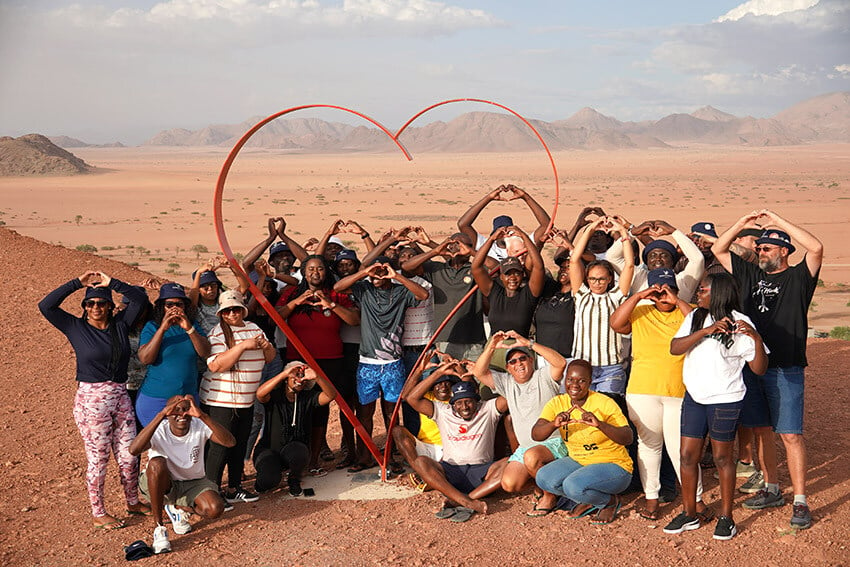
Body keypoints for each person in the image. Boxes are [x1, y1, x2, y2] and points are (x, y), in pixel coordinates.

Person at [711, 209, 823, 530]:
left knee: (789, 433)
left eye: (768, 247)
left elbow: (815, 248)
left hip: (786, 366)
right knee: (761, 430)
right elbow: (719, 249)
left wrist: (777, 221)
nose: (761, 251)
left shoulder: (799, 278)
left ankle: (800, 501)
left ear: (784, 250)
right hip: (751, 364)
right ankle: (772, 488)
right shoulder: (748, 274)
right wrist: (741, 226)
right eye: (759, 248)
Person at [39, 271, 152, 529]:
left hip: (121, 396)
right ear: (85, 307)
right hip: (92, 400)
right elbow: (46, 305)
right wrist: (77, 283)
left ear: (111, 306)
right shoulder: (76, 327)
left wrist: (110, 282)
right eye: (90, 303)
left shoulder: (121, 325)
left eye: (102, 303)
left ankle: (132, 501)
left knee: (129, 454)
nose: (96, 307)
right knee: (99, 458)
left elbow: (139, 300)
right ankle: (98, 511)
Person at [669, 272, 768, 540]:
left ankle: (726, 517)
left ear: (719, 293)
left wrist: (756, 339)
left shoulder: (741, 322)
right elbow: (675, 347)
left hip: (725, 398)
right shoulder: (695, 317)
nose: (698, 293)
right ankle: (689, 513)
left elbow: (758, 369)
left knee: (723, 457)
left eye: (703, 290)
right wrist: (704, 331)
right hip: (695, 397)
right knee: (688, 456)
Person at [610, 268, 708, 522]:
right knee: (649, 445)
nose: (663, 295)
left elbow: (701, 325)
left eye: (668, 289)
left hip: (680, 390)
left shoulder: (689, 312)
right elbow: (615, 323)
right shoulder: (640, 311)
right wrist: (640, 296)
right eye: (658, 290)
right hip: (642, 390)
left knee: (681, 450)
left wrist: (677, 302)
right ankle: (651, 497)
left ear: (676, 290)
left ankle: (695, 500)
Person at [333, 256, 428, 472]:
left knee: (391, 414)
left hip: (393, 363)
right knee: (364, 414)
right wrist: (365, 272)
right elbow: (338, 287)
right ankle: (365, 456)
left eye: (381, 271)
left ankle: (390, 456)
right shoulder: (364, 289)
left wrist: (397, 276)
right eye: (374, 271)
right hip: (367, 363)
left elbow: (423, 294)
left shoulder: (401, 291)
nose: (377, 275)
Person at [276, 254, 360, 474]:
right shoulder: (292, 293)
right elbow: (274, 316)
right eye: (311, 269)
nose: (316, 273)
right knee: (302, 408)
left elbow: (353, 319)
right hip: (300, 360)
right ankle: (297, 459)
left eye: (320, 269)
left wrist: (329, 303)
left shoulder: (337, 294)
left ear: (326, 271)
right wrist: (296, 303)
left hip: (332, 360)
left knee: (325, 407)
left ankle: (316, 460)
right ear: (304, 272)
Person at [472, 331, 567, 516]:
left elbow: (560, 363)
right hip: (526, 448)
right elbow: (479, 372)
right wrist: (492, 346)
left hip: (553, 444)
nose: (519, 364)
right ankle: (542, 483)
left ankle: (550, 496)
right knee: (509, 484)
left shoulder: (544, 377)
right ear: (508, 368)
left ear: (531, 360)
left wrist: (529, 343)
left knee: (532, 457)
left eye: (522, 358)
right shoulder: (507, 383)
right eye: (513, 362)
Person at [129, 395, 234, 554]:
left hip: (192, 482)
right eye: (175, 410)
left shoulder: (199, 424)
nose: (181, 414)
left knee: (215, 509)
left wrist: (203, 416)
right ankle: (159, 529)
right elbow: (134, 450)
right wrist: (160, 415)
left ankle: (177, 507)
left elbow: (230, 442)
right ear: (167, 413)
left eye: (186, 409)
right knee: (156, 463)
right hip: (164, 483)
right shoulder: (160, 428)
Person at [533, 360, 634, 525]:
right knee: (544, 478)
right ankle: (589, 498)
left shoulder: (604, 402)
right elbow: (536, 434)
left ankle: (608, 502)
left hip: (614, 465)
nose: (575, 385)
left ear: (590, 382)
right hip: (579, 461)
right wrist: (554, 424)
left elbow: (628, 437)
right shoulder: (557, 403)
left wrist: (600, 424)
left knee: (572, 485)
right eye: (570, 380)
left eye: (581, 381)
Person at [406, 363, 509, 522]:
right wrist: (438, 373)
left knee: (511, 463)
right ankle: (467, 502)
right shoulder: (442, 411)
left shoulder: (488, 409)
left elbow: (512, 393)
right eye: (459, 403)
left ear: (477, 401)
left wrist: (480, 373)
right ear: (452, 404)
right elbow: (411, 398)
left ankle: (461, 499)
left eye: (469, 401)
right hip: (451, 471)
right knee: (420, 462)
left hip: (483, 472)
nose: (464, 407)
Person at [201, 290, 276, 504]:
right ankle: (212, 492)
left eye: (236, 309)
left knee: (239, 444)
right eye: (227, 310)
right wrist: (243, 346)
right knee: (219, 447)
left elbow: (269, 358)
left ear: (242, 310)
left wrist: (266, 346)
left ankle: (234, 487)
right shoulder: (217, 334)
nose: (232, 314)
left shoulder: (254, 328)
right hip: (220, 401)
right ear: (222, 314)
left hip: (245, 399)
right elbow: (216, 365)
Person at [570, 216, 634, 397]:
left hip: (610, 369)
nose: (596, 283)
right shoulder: (581, 295)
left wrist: (623, 232)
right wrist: (591, 228)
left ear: (609, 280)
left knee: (608, 413)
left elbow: (629, 265)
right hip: (582, 366)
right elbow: (574, 260)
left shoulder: (616, 297)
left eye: (601, 279)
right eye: (592, 279)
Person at [253, 362, 337, 496]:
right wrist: (284, 374)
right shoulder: (275, 396)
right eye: (295, 376)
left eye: (303, 377)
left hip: (294, 449)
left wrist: (317, 377)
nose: (299, 380)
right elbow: (260, 394)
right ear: (287, 378)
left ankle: (294, 478)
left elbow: (331, 395)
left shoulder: (307, 397)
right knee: (268, 481)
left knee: (299, 452)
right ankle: (266, 478)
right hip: (269, 449)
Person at [401, 233, 486, 361]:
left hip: (474, 339)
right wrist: (435, 251)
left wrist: (472, 252)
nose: (464, 247)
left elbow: (496, 267)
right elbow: (407, 268)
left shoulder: (475, 270)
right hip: (445, 338)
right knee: (448, 378)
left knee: (475, 379)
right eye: (459, 244)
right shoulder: (437, 269)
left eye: (468, 245)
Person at [136, 283, 211, 426]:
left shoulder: (192, 325)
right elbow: (146, 358)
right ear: (161, 307)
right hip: (156, 399)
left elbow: (205, 352)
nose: (174, 308)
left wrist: (189, 328)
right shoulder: (152, 327)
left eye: (179, 304)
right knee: (157, 444)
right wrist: (163, 329)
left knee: (186, 443)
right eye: (169, 304)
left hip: (187, 399)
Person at [470, 225, 545, 338]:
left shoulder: (529, 293)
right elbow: (476, 267)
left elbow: (539, 267)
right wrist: (491, 239)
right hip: (496, 348)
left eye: (516, 273)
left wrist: (524, 236)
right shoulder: (494, 292)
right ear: (501, 277)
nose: (512, 278)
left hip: (520, 349)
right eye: (508, 274)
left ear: (522, 274)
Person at [607, 218, 705, 301]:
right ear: (646, 261)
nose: (658, 259)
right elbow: (612, 257)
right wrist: (632, 233)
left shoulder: (684, 280)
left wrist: (674, 232)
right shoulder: (639, 278)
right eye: (652, 256)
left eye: (664, 255)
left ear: (673, 261)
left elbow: (697, 259)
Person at [458, 184, 551, 262]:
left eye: (508, 230)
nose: (505, 233)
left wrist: (526, 197)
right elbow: (463, 225)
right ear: (494, 234)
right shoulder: (485, 246)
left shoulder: (523, 243)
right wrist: (488, 198)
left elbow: (546, 225)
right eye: (500, 231)